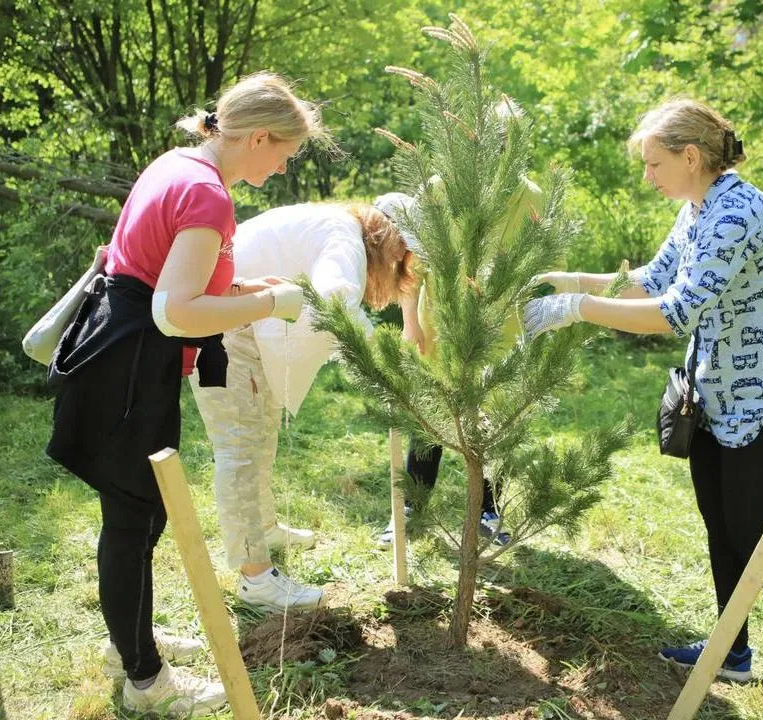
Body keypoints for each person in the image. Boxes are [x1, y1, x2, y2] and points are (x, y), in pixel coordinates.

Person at [523, 99, 763, 709]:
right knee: (720, 526)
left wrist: (574, 310)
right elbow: (650, 278)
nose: (648, 176)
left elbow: (675, 311)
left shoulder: (737, 214)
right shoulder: (697, 208)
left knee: (756, 533)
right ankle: (733, 651)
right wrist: (560, 281)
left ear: (689, 156)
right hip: (713, 393)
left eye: (653, 163)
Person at [45, 72, 328, 717]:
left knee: (144, 513)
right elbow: (176, 312)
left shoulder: (179, 165)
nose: (284, 166)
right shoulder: (207, 197)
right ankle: (145, 682)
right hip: (128, 368)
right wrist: (271, 301)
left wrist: (244, 283)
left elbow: (165, 275)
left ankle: (130, 640)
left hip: (120, 353)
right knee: (134, 514)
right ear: (258, 136)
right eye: (284, 152)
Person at [189, 194, 419, 612]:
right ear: (387, 239)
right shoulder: (344, 239)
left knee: (261, 432)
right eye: (401, 256)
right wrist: (382, 367)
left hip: (241, 318)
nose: (399, 267)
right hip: (220, 328)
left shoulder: (334, 227)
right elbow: (334, 300)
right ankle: (255, 579)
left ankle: (263, 528)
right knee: (239, 446)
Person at [377, 96, 543, 549]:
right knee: (431, 414)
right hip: (440, 321)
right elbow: (414, 265)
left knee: (495, 419)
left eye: (510, 141)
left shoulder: (532, 196)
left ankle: (490, 510)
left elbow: (536, 266)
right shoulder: (439, 186)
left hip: (502, 327)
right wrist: (411, 323)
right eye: (491, 139)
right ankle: (412, 507)